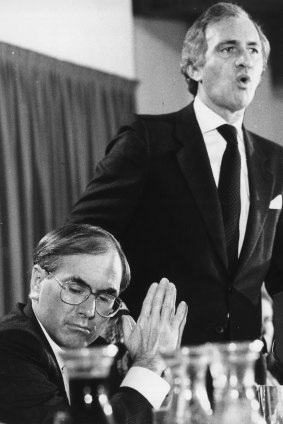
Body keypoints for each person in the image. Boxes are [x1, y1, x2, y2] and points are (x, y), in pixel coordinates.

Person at [68, 2, 283, 347]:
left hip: (241, 370)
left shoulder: (276, 162)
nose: (245, 59)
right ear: (195, 66)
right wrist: (116, 319)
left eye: (253, 50)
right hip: (157, 365)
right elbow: (82, 240)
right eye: (229, 48)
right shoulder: (147, 141)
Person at [0, 223, 188, 424]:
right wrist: (149, 365)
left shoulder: (104, 352)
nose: (89, 311)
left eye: (105, 298)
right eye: (75, 290)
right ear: (37, 282)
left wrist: (158, 372)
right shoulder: (8, 346)